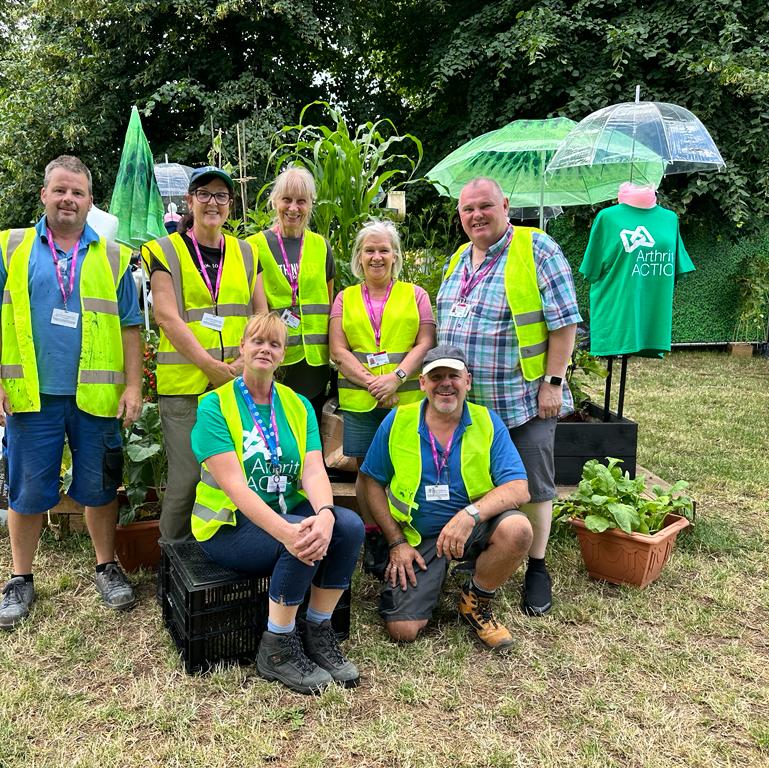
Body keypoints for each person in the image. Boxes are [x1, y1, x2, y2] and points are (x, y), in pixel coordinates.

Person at [0, 155, 144, 630]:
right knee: (27, 491)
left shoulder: (113, 256)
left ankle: (105, 566)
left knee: (100, 487)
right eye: (60, 190)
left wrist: (133, 386)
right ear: (44, 195)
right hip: (32, 398)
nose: (69, 199)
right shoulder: (13, 248)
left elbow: (132, 327)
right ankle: (20, 578)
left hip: (96, 399)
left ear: (91, 202)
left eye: (78, 192)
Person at [191, 312, 365, 694]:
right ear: (242, 346)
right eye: (257, 341)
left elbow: (314, 471)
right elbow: (235, 487)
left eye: (274, 344)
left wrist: (324, 515)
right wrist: (289, 530)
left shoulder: (298, 405)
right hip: (230, 525)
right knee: (302, 541)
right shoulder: (214, 407)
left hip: (287, 511)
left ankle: (318, 629)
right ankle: (277, 647)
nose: (265, 349)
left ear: (283, 355)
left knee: (347, 526)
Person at [436, 177, 581, 617]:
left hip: (523, 400)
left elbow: (564, 322)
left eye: (484, 206)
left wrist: (552, 383)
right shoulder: (460, 256)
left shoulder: (537, 249)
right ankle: (482, 556)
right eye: (467, 210)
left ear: (504, 205)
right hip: (470, 405)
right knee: (479, 482)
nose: (476, 216)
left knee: (535, 483)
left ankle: (537, 567)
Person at [358, 346, 531, 651]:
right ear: (422, 383)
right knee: (403, 629)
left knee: (517, 530)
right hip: (417, 536)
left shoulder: (487, 421)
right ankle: (429, 580)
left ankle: (476, 598)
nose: (445, 383)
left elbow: (518, 488)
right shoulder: (398, 420)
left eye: (454, 375)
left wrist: (470, 515)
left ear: (468, 381)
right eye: (436, 376)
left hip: (474, 526)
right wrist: (396, 542)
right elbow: (371, 481)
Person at [143, 166, 268, 544]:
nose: (213, 202)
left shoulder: (247, 253)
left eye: (221, 195)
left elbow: (260, 316)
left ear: (230, 205)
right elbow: (166, 316)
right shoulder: (164, 250)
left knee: (232, 474)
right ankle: (174, 555)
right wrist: (212, 367)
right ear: (190, 200)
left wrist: (241, 365)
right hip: (186, 385)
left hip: (235, 384)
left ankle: (217, 552)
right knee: (186, 477)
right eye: (204, 193)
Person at [328, 220, 435, 513]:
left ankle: (406, 526)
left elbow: (425, 343)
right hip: (361, 401)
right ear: (359, 257)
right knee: (367, 472)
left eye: (384, 250)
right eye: (369, 250)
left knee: (408, 465)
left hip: (408, 401)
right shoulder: (344, 298)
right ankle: (374, 531)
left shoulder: (416, 295)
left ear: (396, 256)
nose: (377, 256)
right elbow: (338, 349)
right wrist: (374, 384)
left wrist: (396, 379)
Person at [246, 167, 335, 423]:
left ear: (310, 204)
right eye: (286, 199)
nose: (293, 208)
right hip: (276, 361)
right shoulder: (255, 246)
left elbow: (328, 302)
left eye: (301, 201)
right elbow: (257, 310)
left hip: (315, 363)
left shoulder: (321, 246)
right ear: (275, 201)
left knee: (311, 433)